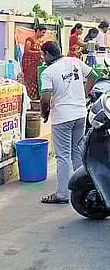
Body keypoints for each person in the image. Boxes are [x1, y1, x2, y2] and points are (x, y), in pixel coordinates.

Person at [40, 42, 96, 204]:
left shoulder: (48, 72)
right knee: (76, 152)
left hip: (62, 118)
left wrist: (45, 114)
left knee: (63, 156)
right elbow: (93, 75)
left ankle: (63, 194)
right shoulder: (75, 61)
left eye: (43, 55)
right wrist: (83, 96)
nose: (43, 58)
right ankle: (80, 190)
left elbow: (45, 98)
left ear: (49, 54)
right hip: (80, 114)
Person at [22, 25, 47, 100]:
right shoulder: (30, 39)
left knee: (36, 79)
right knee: (29, 80)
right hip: (28, 63)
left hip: (37, 63)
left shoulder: (41, 41)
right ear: (38, 31)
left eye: (44, 33)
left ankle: (35, 97)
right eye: (42, 32)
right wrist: (37, 53)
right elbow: (26, 50)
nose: (43, 35)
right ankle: (29, 98)